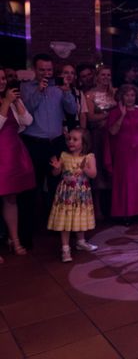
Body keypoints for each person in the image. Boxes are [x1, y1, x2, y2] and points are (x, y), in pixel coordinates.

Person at [20, 53, 78, 248]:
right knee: (30, 189)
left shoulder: (58, 87)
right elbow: (27, 110)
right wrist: (39, 90)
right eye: (42, 69)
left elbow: (71, 110)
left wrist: (67, 91)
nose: (46, 73)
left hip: (56, 144)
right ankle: (26, 235)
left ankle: (59, 232)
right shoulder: (26, 88)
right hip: (34, 143)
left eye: (49, 70)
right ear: (34, 70)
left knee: (58, 188)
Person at [105, 84, 138, 224]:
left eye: (132, 95)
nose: (130, 98)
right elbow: (112, 132)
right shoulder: (115, 112)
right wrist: (122, 115)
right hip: (124, 153)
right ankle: (127, 213)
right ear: (121, 96)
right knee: (127, 182)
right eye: (127, 95)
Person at [48, 128, 98, 263]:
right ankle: (65, 248)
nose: (71, 142)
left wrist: (84, 168)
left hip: (81, 194)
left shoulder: (89, 157)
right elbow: (55, 174)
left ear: (84, 142)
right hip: (66, 194)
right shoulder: (64, 155)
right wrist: (57, 167)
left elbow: (93, 174)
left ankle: (81, 241)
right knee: (66, 219)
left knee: (78, 217)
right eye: (69, 139)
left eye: (75, 139)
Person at [0, 68, 35, 258]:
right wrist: (5, 102)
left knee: (11, 198)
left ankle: (15, 240)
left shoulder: (11, 100)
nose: (3, 82)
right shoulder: (5, 101)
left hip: (13, 154)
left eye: (4, 78)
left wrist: (17, 101)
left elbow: (27, 121)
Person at [86, 65, 117, 219]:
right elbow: (90, 117)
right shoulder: (90, 95)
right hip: (98, 135)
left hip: (114, 136)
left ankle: (113, 207)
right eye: (103, 75)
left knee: (113, 169)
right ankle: (97, 209)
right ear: (97, 76)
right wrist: (108, 116)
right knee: (98, 170)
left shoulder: (114, 93)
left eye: (108, 75)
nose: (106, 78)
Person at [59, 63, 88, 131]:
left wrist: (82, 132)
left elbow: (82, 115)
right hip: (59, 130)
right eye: (66, 72)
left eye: (72, 73)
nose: (69, 75)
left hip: (75, 130)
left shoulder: (79, 93)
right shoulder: (55, 91)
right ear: (60, 74)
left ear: (75, 76)